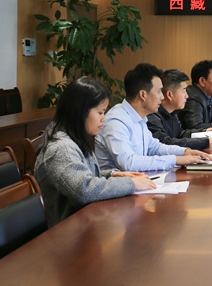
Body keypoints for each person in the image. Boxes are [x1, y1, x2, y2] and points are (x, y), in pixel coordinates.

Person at [35, 77, 156, 227]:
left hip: (83, 223)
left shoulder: (77, 137)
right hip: (66, 232)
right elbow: (83, 189)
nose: (103, 119)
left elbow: (84, 175)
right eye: (100, 112)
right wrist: (130, 183)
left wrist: (113, 174)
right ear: (79, 112)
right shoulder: (61, 149)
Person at [96, 63, 212, 172]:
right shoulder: (116, 121)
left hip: (137, 180)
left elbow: (154, 147)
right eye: (159, 91)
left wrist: (185, 152)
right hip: (117, 184)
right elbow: (128, 162)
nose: (162, 97)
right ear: (143, 95)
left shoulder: (139, 118)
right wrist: (175, 160)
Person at [146, 69, 212, 151]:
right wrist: (203, 142)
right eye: (183, 91)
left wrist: (204, 132)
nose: (187, 96)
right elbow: (164, 143)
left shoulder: (173, 113)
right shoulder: (152, 116)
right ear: (169, 95)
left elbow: (180, 134)